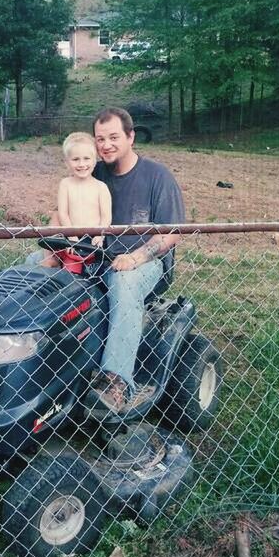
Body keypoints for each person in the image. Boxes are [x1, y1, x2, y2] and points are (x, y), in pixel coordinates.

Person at [87, 106, 185, 413]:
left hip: (145, 264)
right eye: (100, 139)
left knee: (124, 282)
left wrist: (136, 257)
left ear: (131, 137)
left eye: (114, 137)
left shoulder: (157, 176)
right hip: (99, 258)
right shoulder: (94, 173)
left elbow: (171, 233)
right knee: (35, 261)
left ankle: (116, 382)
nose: (106, 145)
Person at [57, 132, 112, 250]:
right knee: (70, 266)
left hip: (95, 239)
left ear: (94, 160)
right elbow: (63, 213)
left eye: (86, 158)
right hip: (71, 236)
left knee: (95, 267)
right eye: (75, 159)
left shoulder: (101, 187)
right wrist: (71, 236)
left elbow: (106, 217)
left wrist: (100, 235)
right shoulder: (65, 184)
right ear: (67, 163)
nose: (82, 164)